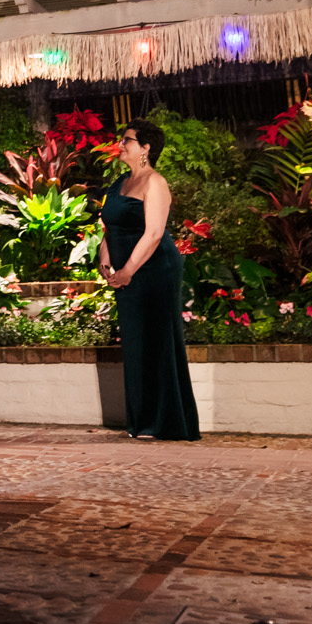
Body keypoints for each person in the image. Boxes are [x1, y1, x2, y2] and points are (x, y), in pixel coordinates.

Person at [99, 121, 200, 440]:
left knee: (157, 341)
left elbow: (154, 233)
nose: (120, 145)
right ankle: (141, 420)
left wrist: (127, 270)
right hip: (126, 269)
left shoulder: (155, 183)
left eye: (127, 140)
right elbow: (109, 224)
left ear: (146, 148)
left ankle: (165, 422)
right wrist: (104, 255)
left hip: (155, 269)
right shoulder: (120, 182)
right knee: (135, 343)